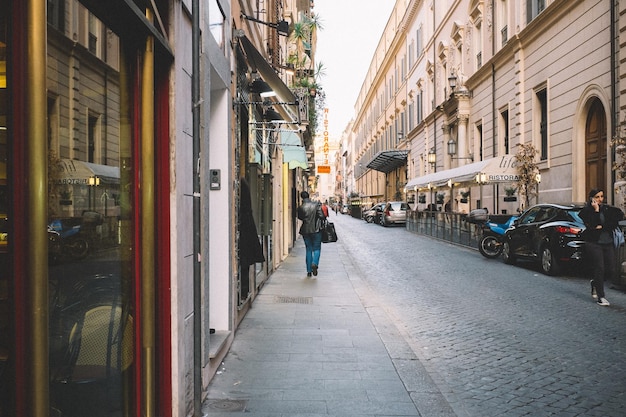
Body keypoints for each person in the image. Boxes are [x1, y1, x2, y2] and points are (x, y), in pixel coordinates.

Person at [579, 188, 624, 306]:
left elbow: (613, 223)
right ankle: (601, 296)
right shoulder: (586, 211)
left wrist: (602, 226)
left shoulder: (607, 209)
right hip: (593, 243)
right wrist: (596, 211)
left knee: (611, 269)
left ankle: (595, 283)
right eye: (597, 197)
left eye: (601, 197)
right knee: (600, 268)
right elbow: (592, 225)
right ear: (591, 198)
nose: (600, 199)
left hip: (607, 242)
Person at [297, 191, 326, 277]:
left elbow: (300, 217)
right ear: (308, 196)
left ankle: (309, 271)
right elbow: (322, 216)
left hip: (305, 230)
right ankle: (315, 263)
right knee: (317, 248)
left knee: (308, 249)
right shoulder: (316, 205)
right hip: (316, 230)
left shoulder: (300, 207)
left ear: (301, 197)